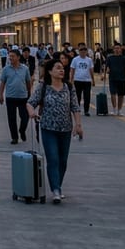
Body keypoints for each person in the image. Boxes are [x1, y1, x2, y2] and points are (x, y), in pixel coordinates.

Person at [26, 58, 83, 204]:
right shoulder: (43, 87)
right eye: (58, 68)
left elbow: (75, 107)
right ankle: (56, 190)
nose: (61, 70)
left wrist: (78, 125)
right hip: (48, 128)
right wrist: (32, 112)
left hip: (65, 129)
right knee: (53, 159)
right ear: (50, 71)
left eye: (62, 68)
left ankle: (57, 185)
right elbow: (30, 103)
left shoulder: (69, 87)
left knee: (63, 161)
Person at [0, 49, 33, 144]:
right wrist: (1, 95)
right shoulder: (6, 69)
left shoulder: (25, 69)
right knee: (11, 118)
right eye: (10, 56)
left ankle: (22, 130)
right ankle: (14, 137)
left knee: (25, 117)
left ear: (18, 57)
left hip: (23, 97)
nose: (10, 58)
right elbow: (3, 83)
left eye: (13, 56)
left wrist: (30, 93)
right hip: (10, 97)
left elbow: (28, 82)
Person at [104, 43, 125, 116]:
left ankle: (119, 110)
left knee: (121, 95)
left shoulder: (124, 58)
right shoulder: (110, 58)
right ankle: (114, 109)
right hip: (112, 78)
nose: (117, 49)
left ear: (121, 49)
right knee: (113, 94)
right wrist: (104, 75)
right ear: (113, 49)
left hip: (122, 78)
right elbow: (106, 67)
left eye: (118, 48)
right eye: (115, 48)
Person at [70, 46, 96, 116]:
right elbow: (72, 70)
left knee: (87, 96)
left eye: (84, 50)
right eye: (81, 50)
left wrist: (93, 80)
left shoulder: (89, 60)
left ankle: (86, 110)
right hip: (78, 80)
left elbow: (91, 70)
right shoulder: (75, 59)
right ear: (79, 51)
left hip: (87, 80)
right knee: (78, 96)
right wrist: (71, 80)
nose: (83, 52)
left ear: (86, 52)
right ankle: (77, 110)